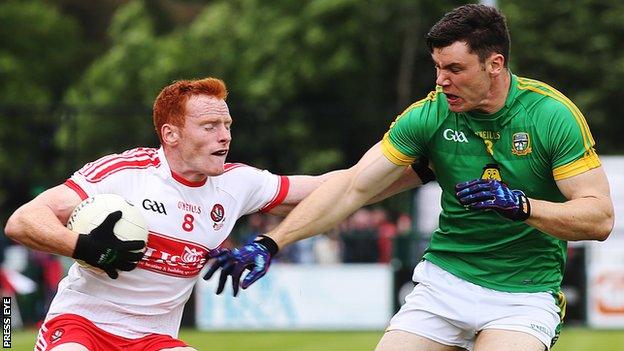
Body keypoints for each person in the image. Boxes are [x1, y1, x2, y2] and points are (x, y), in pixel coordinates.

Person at [205, 4, 614, 351]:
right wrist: (269, 242)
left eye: (455, 68)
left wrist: (521, 206)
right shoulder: (429, 114)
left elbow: (599, 219)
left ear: (495, 64)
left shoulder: (551, 115)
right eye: (437, 68)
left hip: (523, 292)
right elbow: (353, 187)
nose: (441, 81)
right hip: (444, 283)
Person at [4, 77, 423, 351]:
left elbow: (341, 187)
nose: (224, 135)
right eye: (209, 126)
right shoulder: (124, 173)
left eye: (227, 124)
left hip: (155, 339)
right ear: (171, 134)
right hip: (83, 326)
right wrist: (84, 245)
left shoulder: (238, 183)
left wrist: (421, 169)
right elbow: (22, 221)